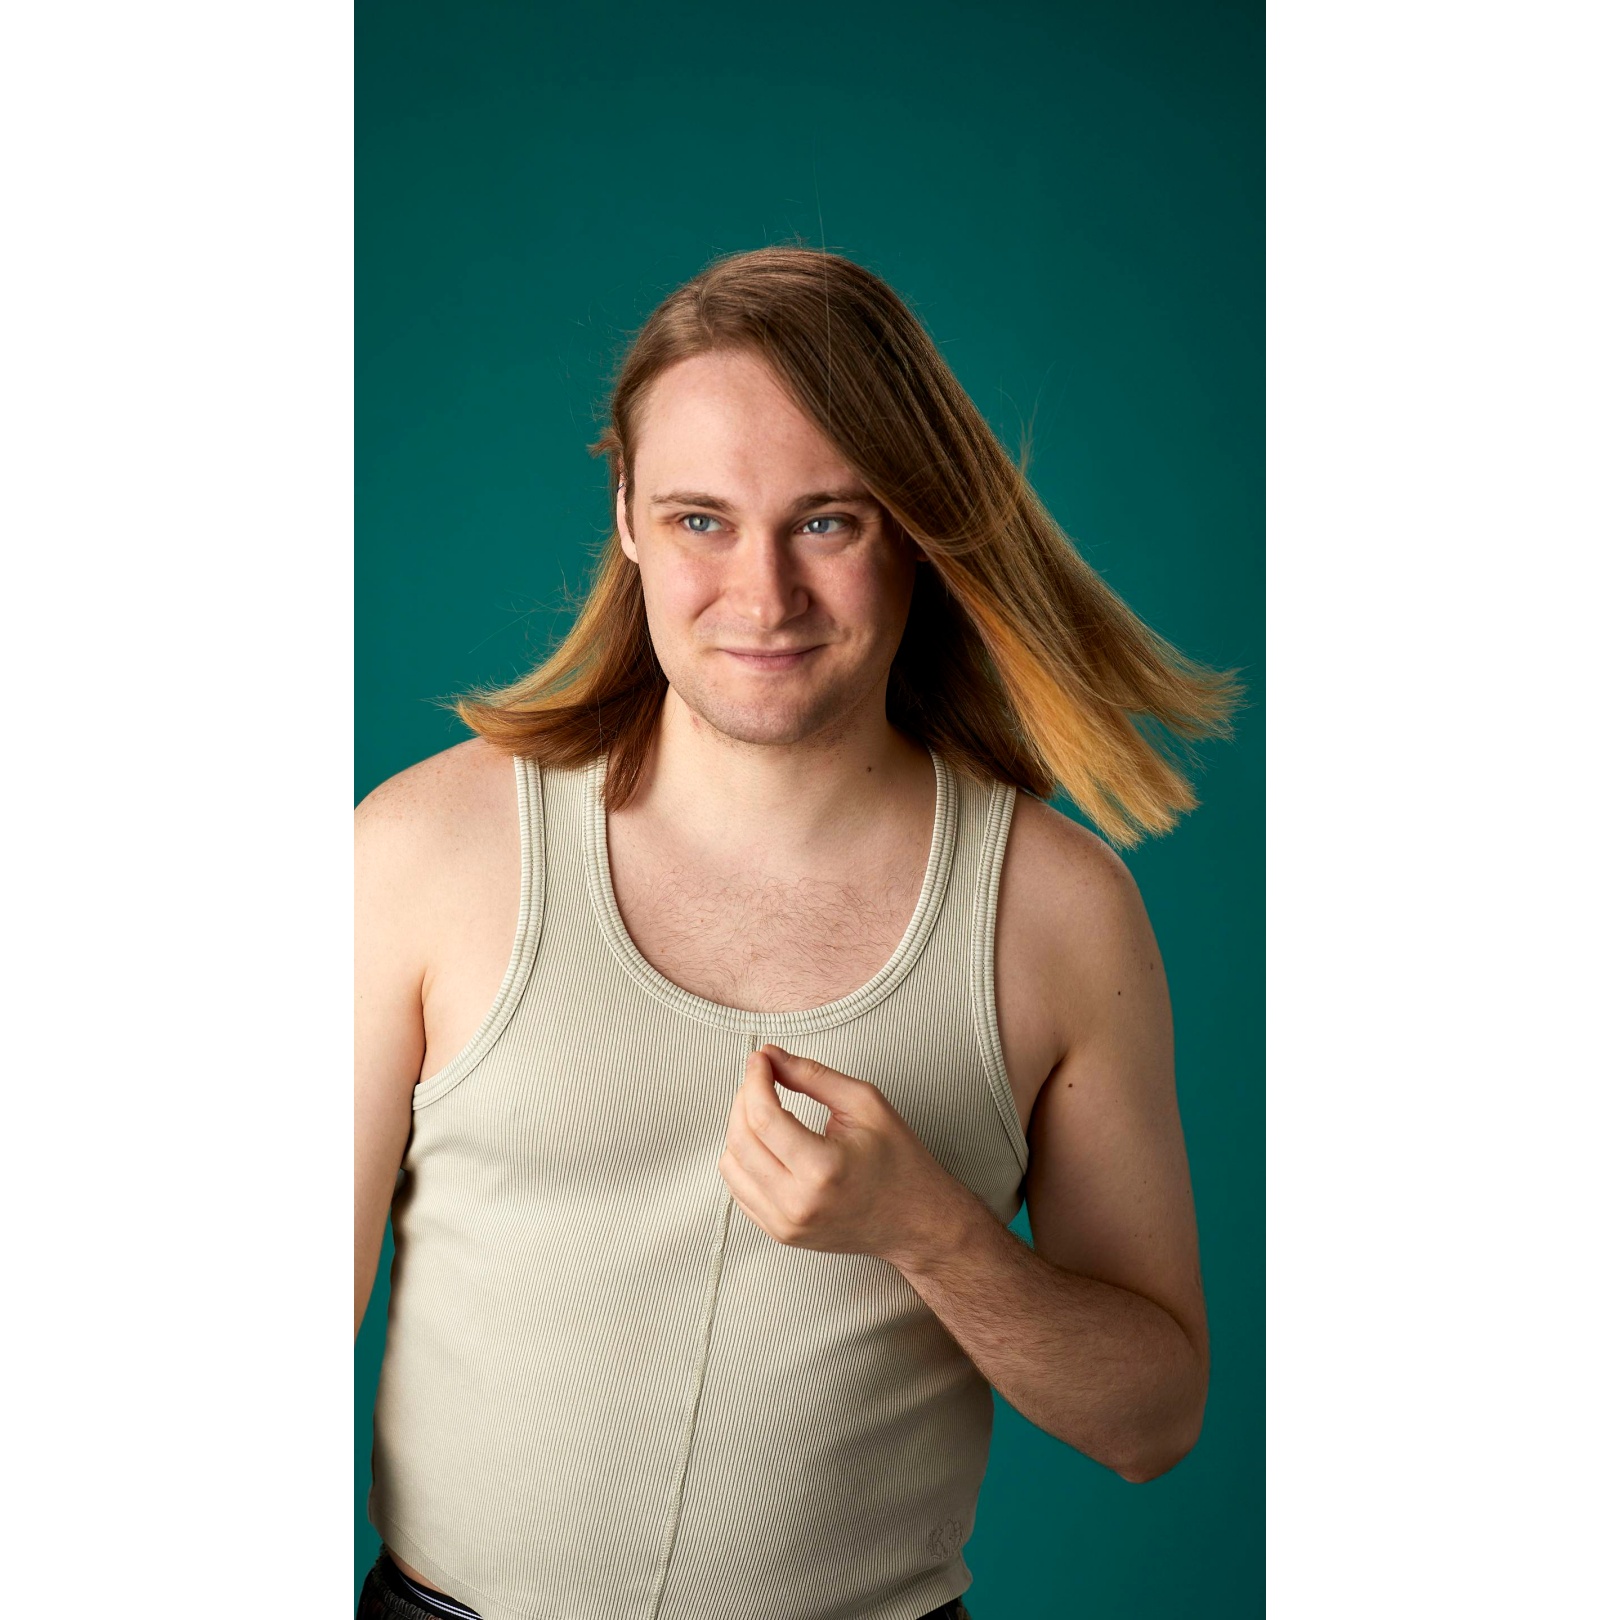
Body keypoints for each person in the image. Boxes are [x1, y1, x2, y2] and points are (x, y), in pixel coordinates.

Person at [354, 246, 1243, 1620]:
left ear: (919, 527)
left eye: (827, 521)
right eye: (701, 520)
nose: (764, 598)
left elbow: (1154, 1422)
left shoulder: (1058, 916)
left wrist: (930, 1233)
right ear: (627, 516)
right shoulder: (424, 851)